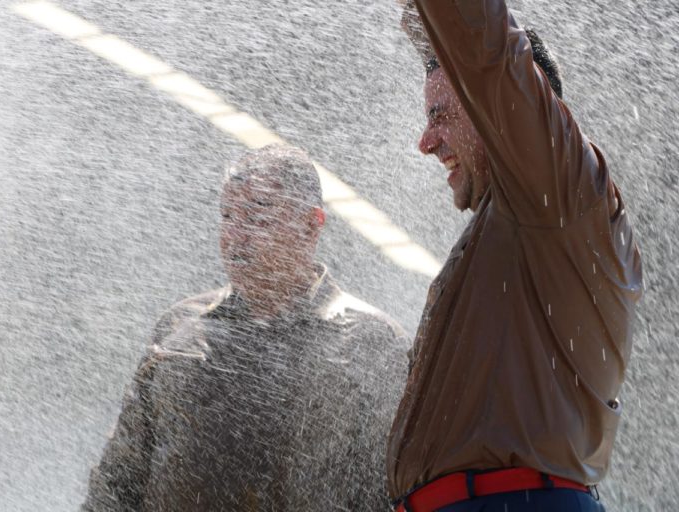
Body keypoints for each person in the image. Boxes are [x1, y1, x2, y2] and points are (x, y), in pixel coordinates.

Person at [387, 1, 642, 511]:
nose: (426, 142)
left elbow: (487, 54)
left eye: (440, 117)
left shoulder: (558, 188)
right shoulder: (518, 220)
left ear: (498, 112)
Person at [81, 144, 409, 511]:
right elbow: (118, 479)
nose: (236, 236)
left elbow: (393, 494)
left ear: (310, 225)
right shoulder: (181, 329)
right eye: (227, 215)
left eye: (257, 218)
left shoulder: (371, 345)